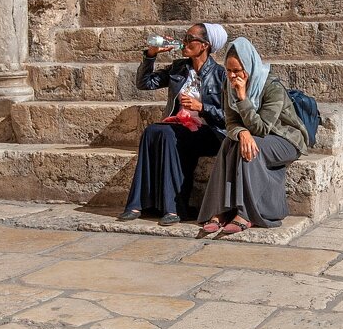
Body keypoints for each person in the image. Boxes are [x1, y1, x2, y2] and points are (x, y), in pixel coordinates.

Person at [118, 23, 229, 226]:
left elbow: (229, 116)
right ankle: (137, 204)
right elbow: (145, 83)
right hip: (180, 127)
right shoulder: (179, 68)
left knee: (169, 134)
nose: (184, 42)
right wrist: (151, 55)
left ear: (205, 45)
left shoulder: (220, 75)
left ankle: (174, 207)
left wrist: (201, 107)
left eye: (189, 38)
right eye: (185, 38)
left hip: (210, 132)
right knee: (152, 131)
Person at [198, 37, 308, 233]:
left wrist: (242, 98)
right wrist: (241, 132)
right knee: (228, 144)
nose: (232, 76)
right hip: (253, 134)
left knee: (251, 146)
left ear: (248, 67)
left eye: (237, 71)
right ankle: (221, 209)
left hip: (286, 139)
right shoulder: (228, 84)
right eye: (229, 71)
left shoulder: (271, 86)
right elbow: (230, 121)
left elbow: (262, 128)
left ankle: (246, 213)